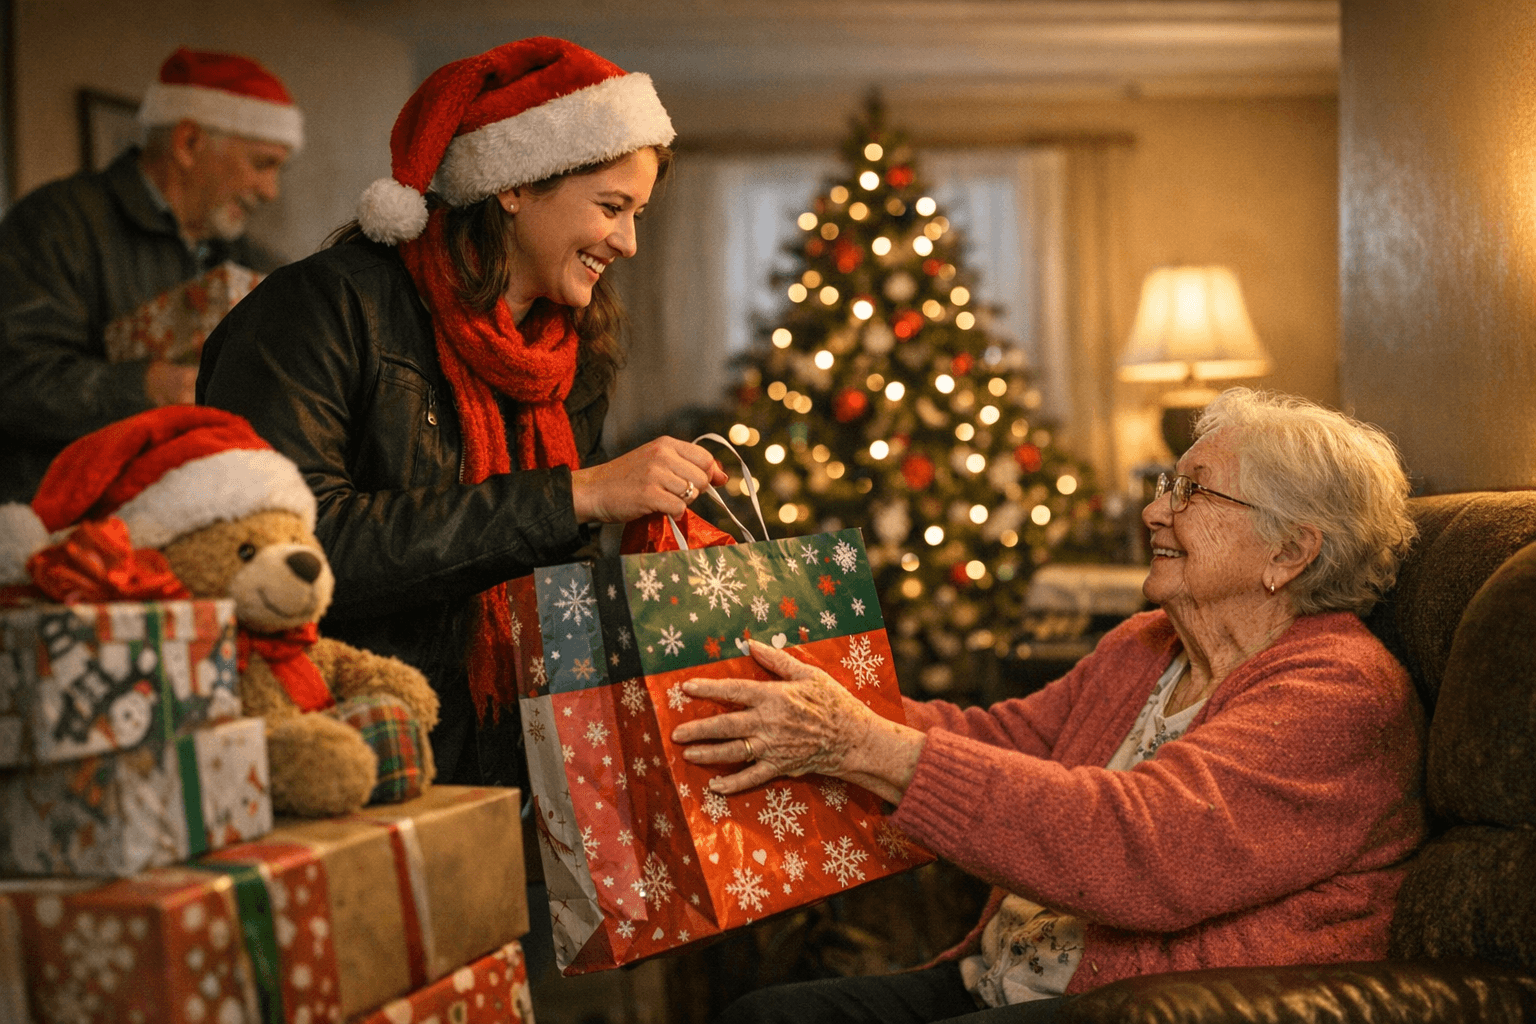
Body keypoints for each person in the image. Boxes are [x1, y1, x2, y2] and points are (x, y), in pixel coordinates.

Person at [674, 388, 1428, 1023]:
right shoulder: (1147, 644)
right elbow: (1004, 740)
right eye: (1168, 487)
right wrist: (824, 703)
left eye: (1193, 492)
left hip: (1140, 1007)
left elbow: (1145, 848)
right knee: (764, 1016)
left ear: (1290, 553)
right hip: (1003, 978)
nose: (1155, 515)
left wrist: (864, 745)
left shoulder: (1340, 691)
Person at [198, 38, 726, 789]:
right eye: (611, 207)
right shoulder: (323, 308)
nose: (629, 242)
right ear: (514, 186)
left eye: (636, 213)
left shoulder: (571, 352)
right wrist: (577, 495)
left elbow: (551, 583)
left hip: (523, 766)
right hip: (340, 752)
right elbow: (284, 557)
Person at [0, 47, 301, 503]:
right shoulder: (55, 223)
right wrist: (147, 387)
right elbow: (14, 382)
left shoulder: (258, 261)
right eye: (262, 164)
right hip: (69, 523)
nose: (270, 190)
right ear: (188, 143)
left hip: (205, 520)